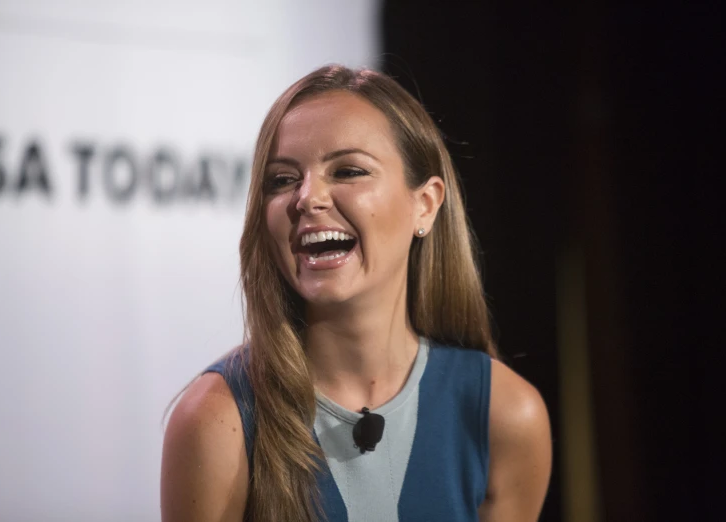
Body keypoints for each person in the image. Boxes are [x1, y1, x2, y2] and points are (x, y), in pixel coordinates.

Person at [161, 65, 552, 522]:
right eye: (283, 179)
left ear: (425, 205)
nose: (307, 198)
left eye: (347, 171)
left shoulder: (504, 415)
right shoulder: (217, 419)